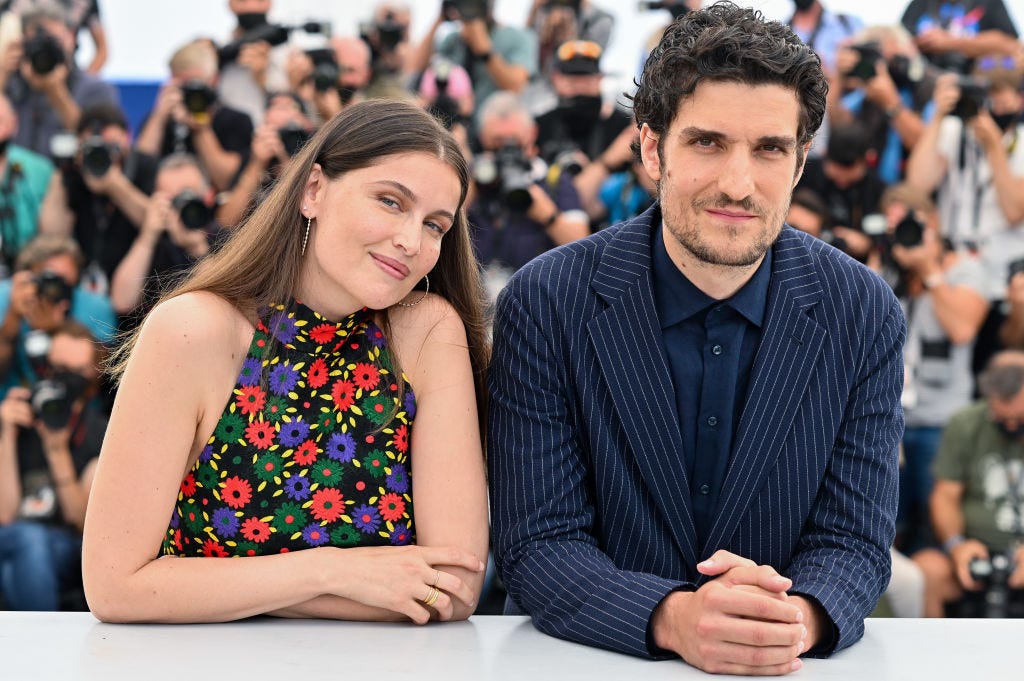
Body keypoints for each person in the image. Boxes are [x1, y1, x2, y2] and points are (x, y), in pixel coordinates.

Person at [488, 3, 904, 675]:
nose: (738, 184)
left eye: (770, 149)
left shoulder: (863, 312)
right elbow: (538, 540)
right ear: (652, 148)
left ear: (800, 162)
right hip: (580, 662)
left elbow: (853, 541)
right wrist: (675, 618)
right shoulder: (546, 300)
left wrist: (791, 620)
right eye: (708, 142)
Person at [81, 99, 489, 625]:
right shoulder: (194, 330)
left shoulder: (428, 332)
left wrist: (216, 585)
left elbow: (453, 587)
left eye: (436, 225)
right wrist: (334, 573)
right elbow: (116, 586)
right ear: (313, 190)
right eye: (390, 201)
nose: (411, 241)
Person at [0, 319, 106, 610]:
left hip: (62, 546)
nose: (61, 381)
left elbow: (82, 525)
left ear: (91, 384)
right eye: (55, 368)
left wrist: (56, 450)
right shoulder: (19, 418)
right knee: (23, 541)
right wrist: (6, 436)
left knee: (17, 564)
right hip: (15, 537)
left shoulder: (98, 433)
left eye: (74, 373)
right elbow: (5, 515)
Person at [912, 350, 1024, 617]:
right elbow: (945, 496)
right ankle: (933, 656)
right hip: (976, 552)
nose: (1010, 426)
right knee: (929, 569)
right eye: (1002, 420)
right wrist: (957, 545)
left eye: (1018, 421)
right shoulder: (965, 423)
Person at [134, 38, 253, 192]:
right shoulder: (160, 119)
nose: (188, 93)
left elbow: (226, 180)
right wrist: (159, 116)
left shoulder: (236, 121)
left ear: (213, 80)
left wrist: (200, 128)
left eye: (194, 84)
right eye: (181, 85)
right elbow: (139, 170)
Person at [0, 5, 118, 157]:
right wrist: (2, 72)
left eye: (54, 41)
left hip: (69, 177)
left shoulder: (96, 89)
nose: (45, 49)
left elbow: (95, 147)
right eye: (37, 43)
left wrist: (55, 89)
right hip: (15, 176)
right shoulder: (11, 85)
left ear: (72, 36)